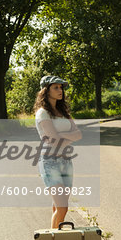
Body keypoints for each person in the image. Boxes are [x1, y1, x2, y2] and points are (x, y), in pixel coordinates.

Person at [34, 75, 82, 229]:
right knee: (63, 207)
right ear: (45, 90)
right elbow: (52, 139)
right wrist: (68, 137)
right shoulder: (43, 113)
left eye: (61, 87)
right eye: (55, 87)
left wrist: (60, 137)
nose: (60, 90)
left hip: (66, 161)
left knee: (58, 207)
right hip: (50, 162)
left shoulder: (64, 112)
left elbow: (78, 134)